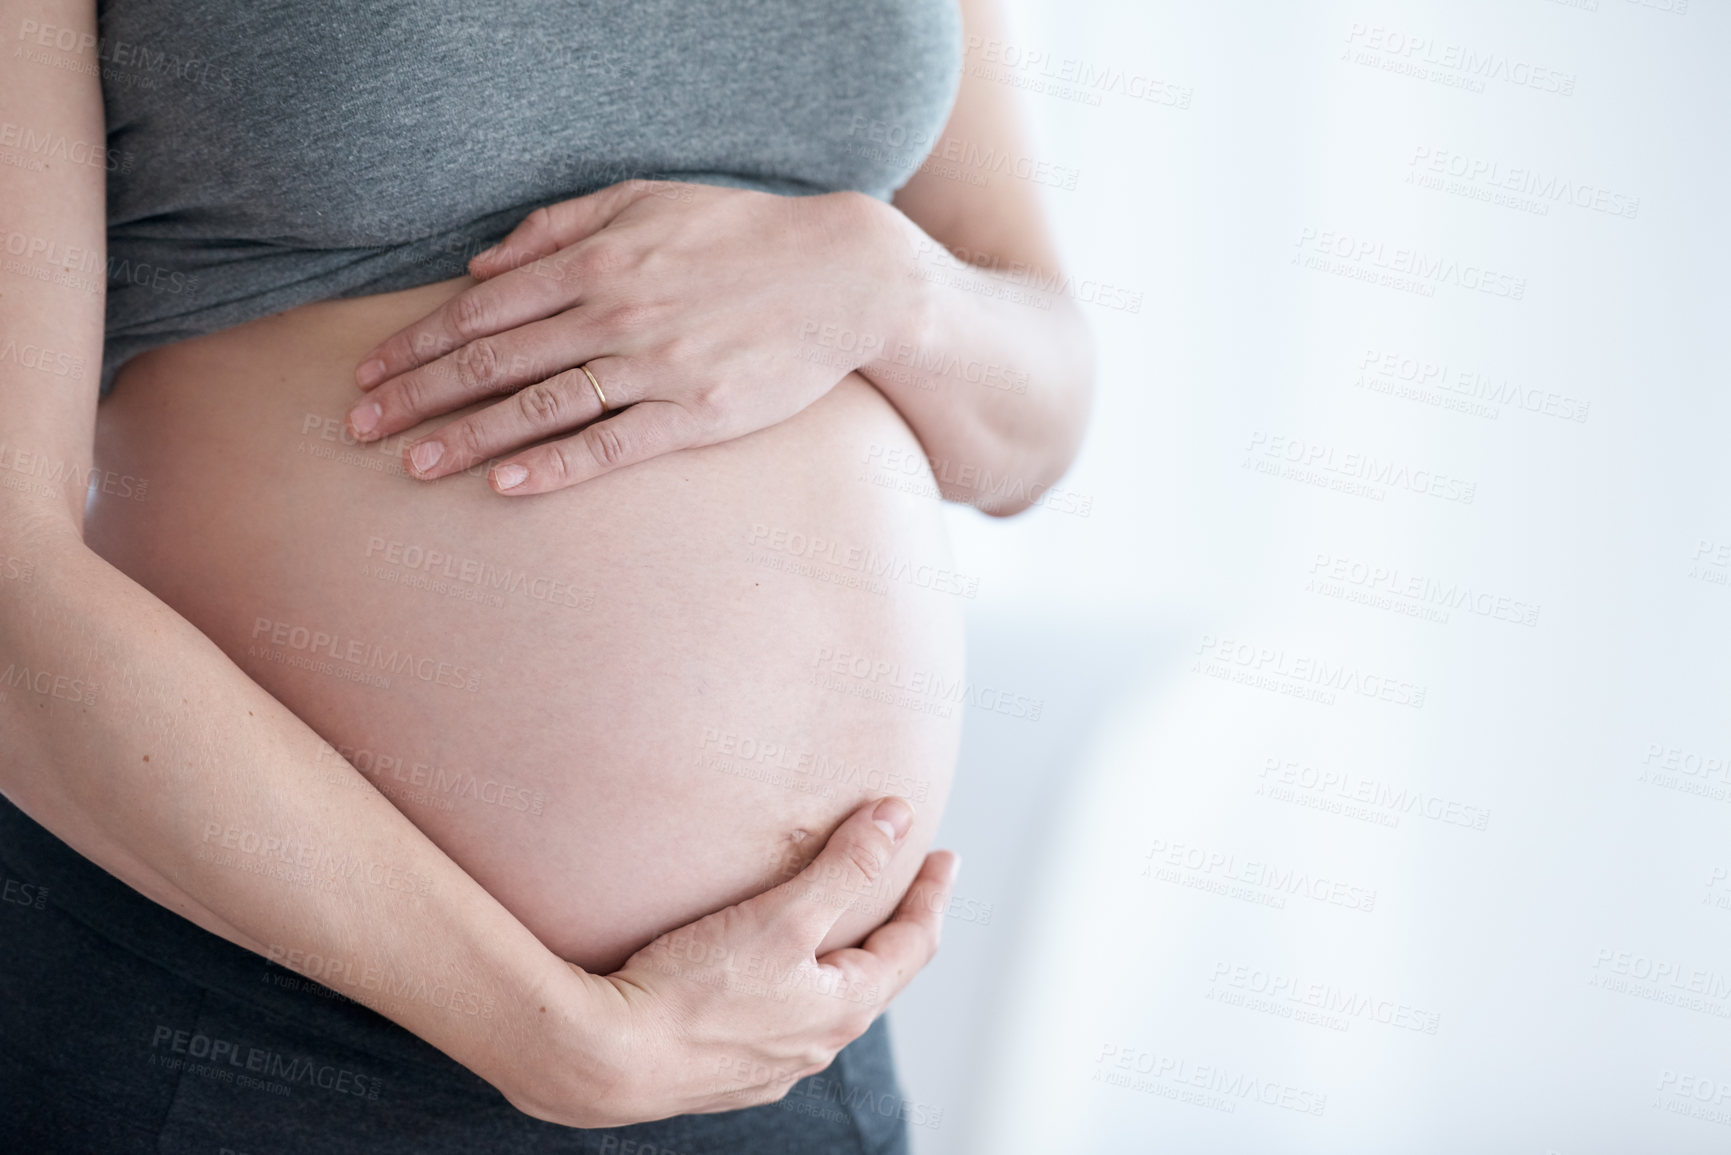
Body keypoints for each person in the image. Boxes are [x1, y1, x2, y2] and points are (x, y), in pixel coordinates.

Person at [0, 0, 1093, 1149]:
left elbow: (1034, 425)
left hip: (776, 1041)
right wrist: (558, 1036)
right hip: (252, 1025)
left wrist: (894, 284)